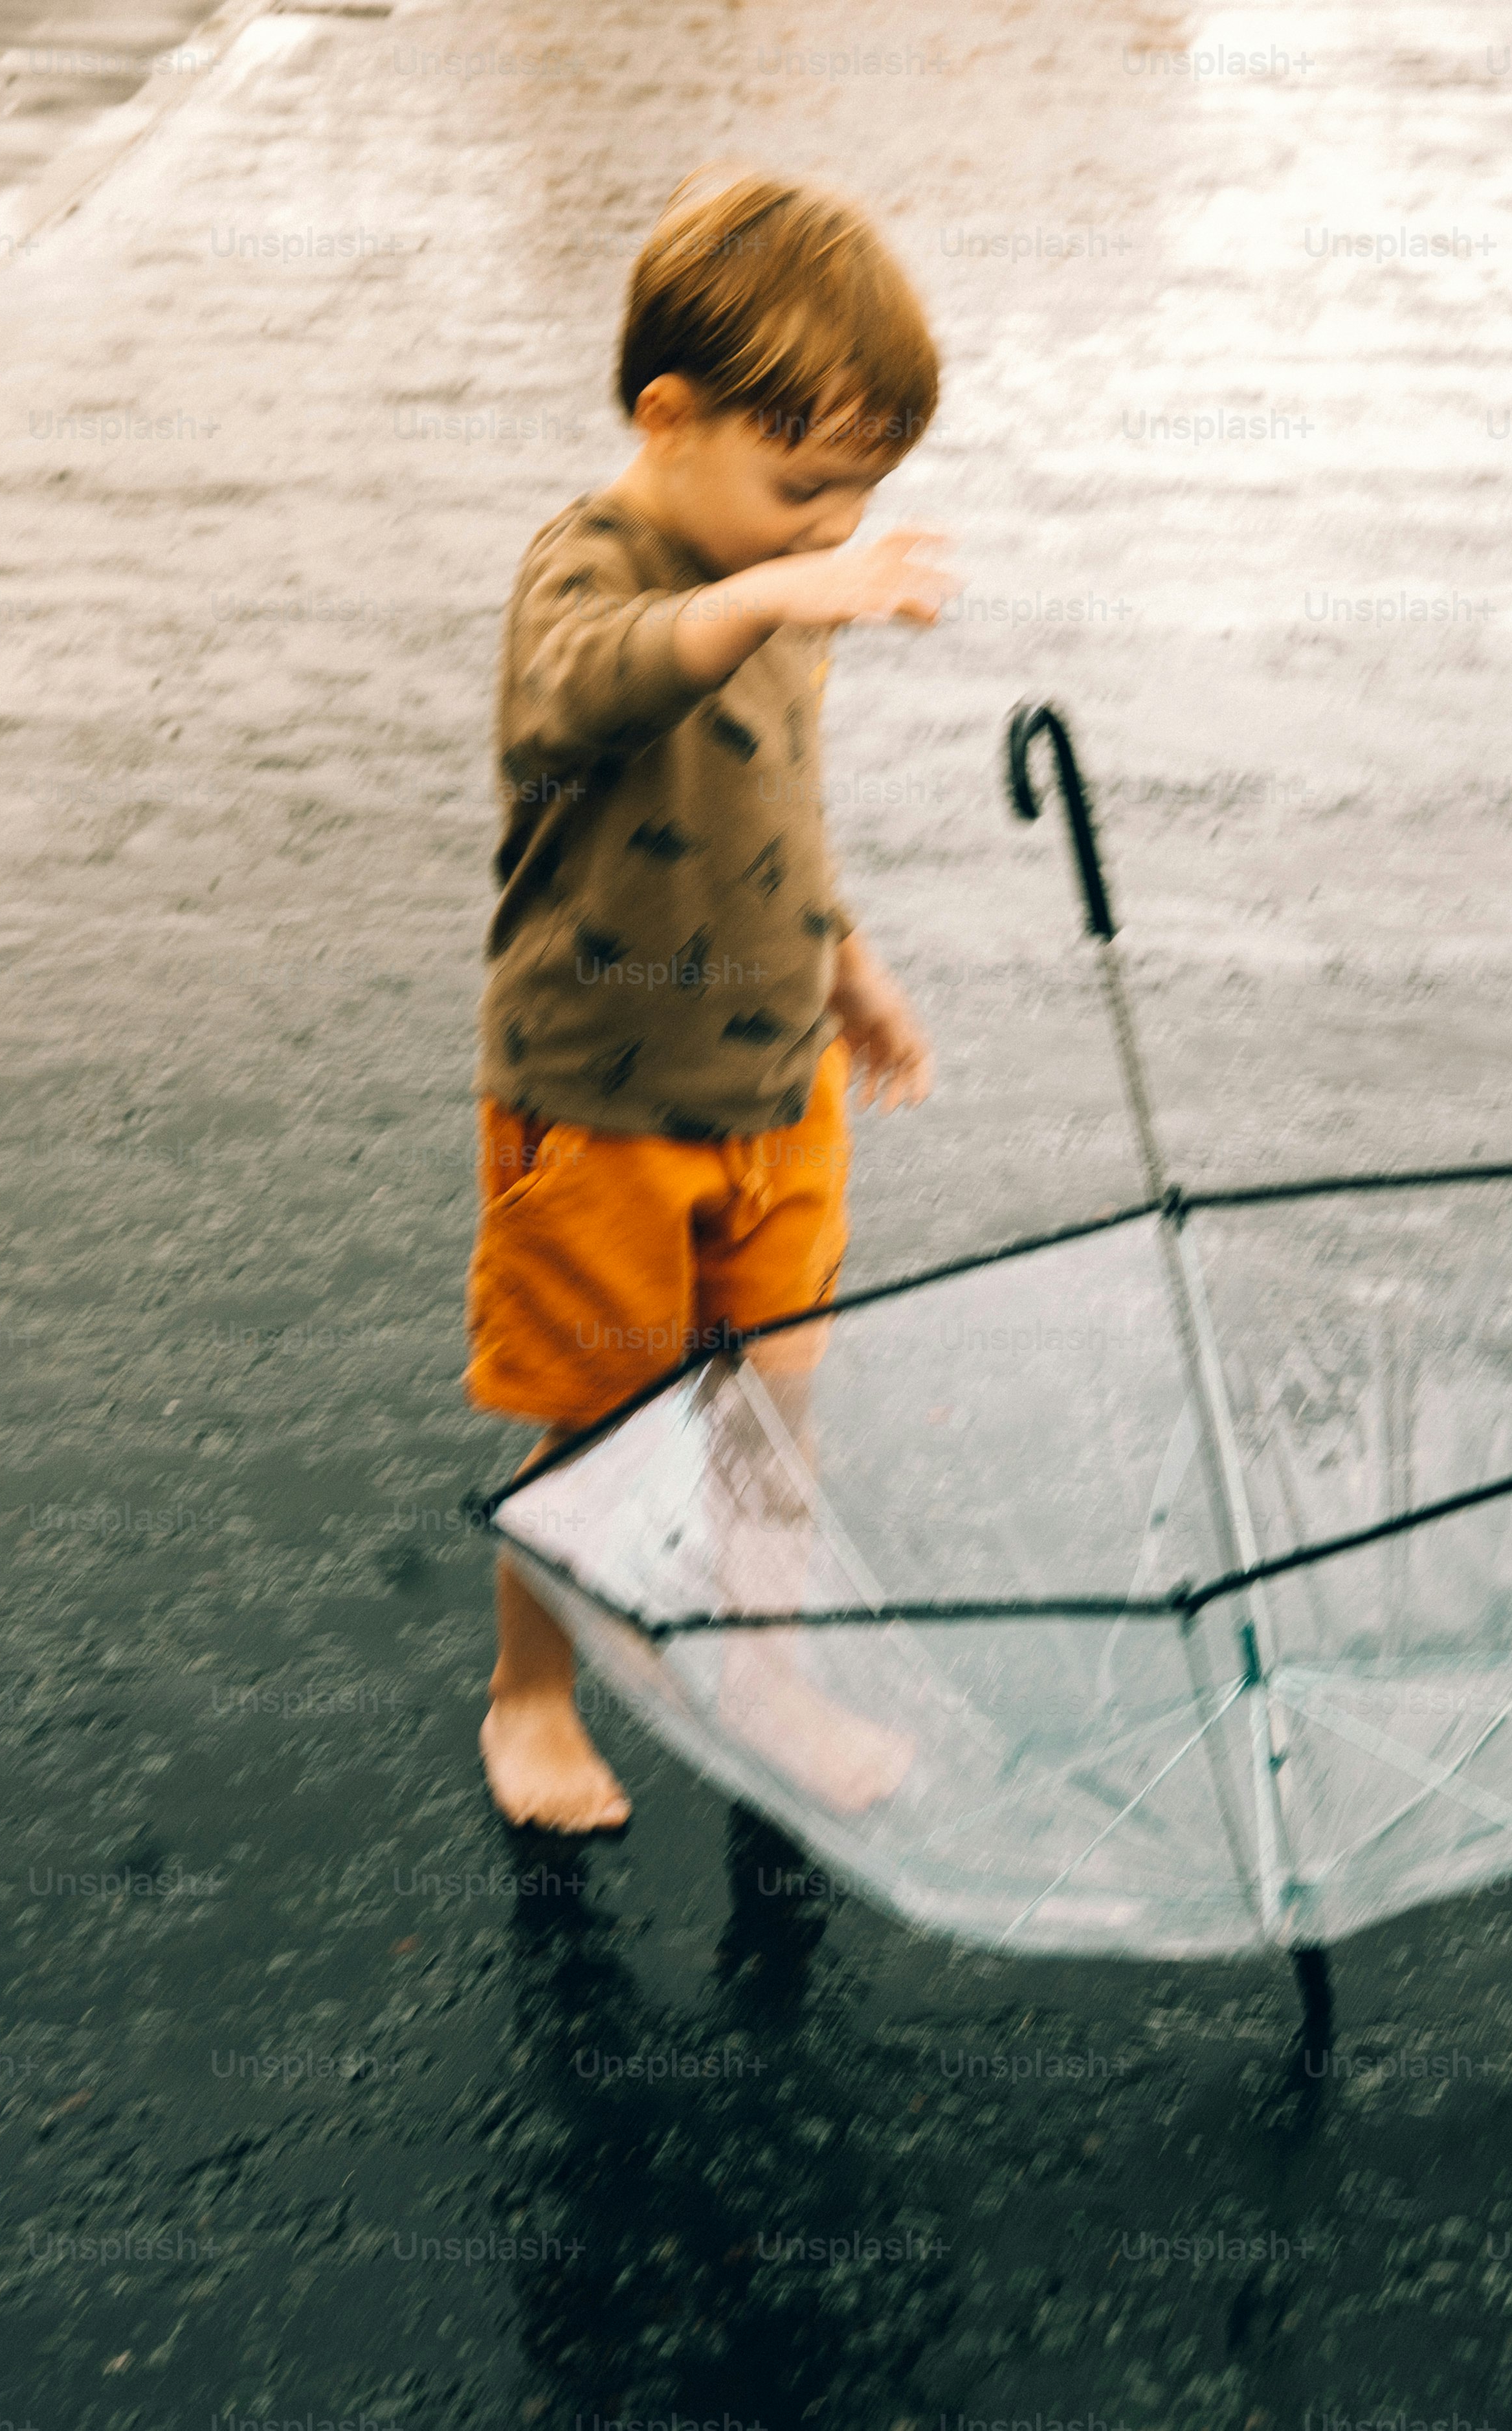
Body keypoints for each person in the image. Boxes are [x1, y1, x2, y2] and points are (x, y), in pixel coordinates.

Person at [465, 166, 958, 1834]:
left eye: (858, 498)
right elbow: (577, 697)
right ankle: (530, 1696)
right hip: (599, 1103)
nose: (831, 528)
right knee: (595, 1431)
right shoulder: (589, 569)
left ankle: (768, 1681)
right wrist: (768, 593)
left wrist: (853, 968)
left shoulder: (780, 586)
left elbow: (778, 810)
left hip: (775, 1097)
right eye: (802, 485)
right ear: (668, 415)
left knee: (772, 1425)